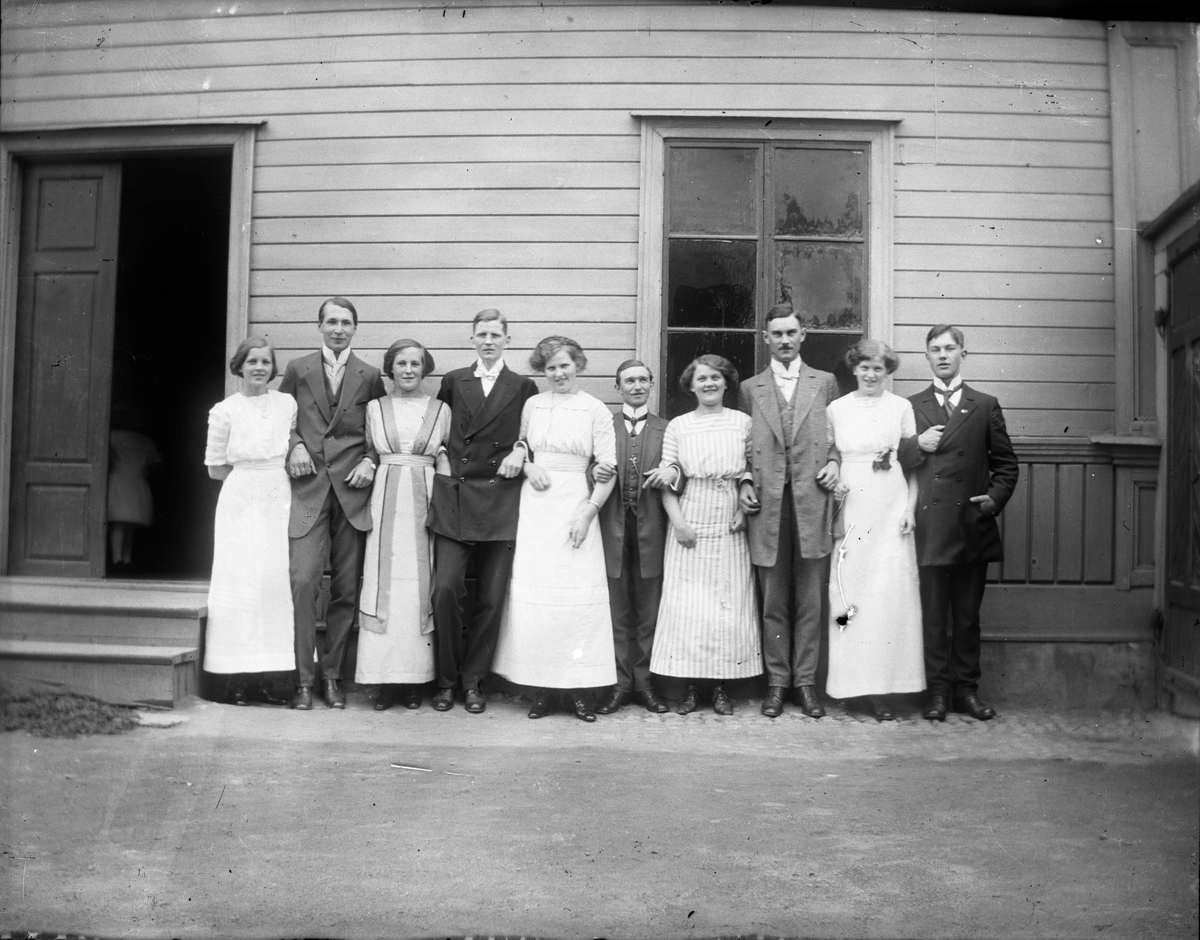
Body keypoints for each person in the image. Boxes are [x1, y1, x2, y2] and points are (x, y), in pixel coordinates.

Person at [492, 336, 618, 721]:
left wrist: (587, 515)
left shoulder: (594, 409)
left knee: (574, 601)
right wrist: (529, 466)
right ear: (542, 371)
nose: (558, 373)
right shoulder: (533, 404)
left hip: (576, 506)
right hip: (536, 508)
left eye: (565, 365)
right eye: (551, 367)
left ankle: (578, 692)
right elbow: (522, 447)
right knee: (539, 601)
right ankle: (543, 690)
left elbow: (608, 470)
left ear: (577, 365)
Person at [426, 309, 538, 714]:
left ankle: (473, 682)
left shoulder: (522, 386)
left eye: (495, 335)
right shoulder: (455, 381)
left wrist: (521, 450)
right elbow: (437, 428)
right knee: (445, 590)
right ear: (472, 339)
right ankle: (445, 681)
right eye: (482, 335)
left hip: (500, 499)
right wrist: (441, 458)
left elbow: (532, 434)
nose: (488, 341)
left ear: (507, 340)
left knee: (491, 598)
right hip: (456, 496)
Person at [905, 325, 1019, 721]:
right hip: (931, 528)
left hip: (971, 524)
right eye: (935, 349)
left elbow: (1006, 465)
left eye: (949, 348)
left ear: (963, 354)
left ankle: (966, 692)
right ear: (926, 357)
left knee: (967, 618)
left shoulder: (985, 405)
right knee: (933, 616)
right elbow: (896, 461)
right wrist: (915, 445)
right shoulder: (911, 405)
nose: (942, 355)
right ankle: (937, 692)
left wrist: (994, 500)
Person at [279, 297, 386, 710]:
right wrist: (294, 445)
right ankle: (302, 679)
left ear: (355, 328)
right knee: (304, 581)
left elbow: (380, 433)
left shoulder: (369, 375)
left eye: (346, 323)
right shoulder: (298, 369)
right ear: (320, 326)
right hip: (308, 488)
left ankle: (331, 676)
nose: (338, 329)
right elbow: (281, 419)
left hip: (352, 493)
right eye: (331, 322)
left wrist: (370, 461)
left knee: (345, 588)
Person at [736, 303, 841, 719]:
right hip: (768, 505)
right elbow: (743, 445)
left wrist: (834, 462)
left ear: (802, 336)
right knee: (773, 600)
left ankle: (806, 684)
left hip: (812, 501)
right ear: (766, 338)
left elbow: (836, 436)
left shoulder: (825, 382)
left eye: (790, 333)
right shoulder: (750, 389)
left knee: (810, 600)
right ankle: (777, 683)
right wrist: (745, 481)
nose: (784, 340)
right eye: (776, 334)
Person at [644, 355, 761, 716]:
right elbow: (667, 476)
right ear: (691, 386)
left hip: (729, 517)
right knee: (689, 607)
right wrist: (678, 523)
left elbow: (752, 467)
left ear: (726, 383)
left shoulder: (743, 422)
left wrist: (742, 509)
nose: (709, 383)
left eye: (715, 377)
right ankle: (692, 688)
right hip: (690, 512)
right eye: (701, 378)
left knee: (727, 604)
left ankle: (721, 687)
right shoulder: (679, 426)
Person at [824, 340, 926, 721]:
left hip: (890, 506)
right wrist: (835, 479)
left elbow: (912, 466)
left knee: (889, 593)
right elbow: (830, 456)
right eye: (864, 367)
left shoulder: (901, 408)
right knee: (849, 592)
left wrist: (909, 509)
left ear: (887, 372)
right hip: (852, 506)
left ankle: (884, 687)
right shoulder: (836, 409)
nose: (870, 374)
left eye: (878, 368)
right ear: (854, 369)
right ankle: (851, 686)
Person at [355, 339, 451, 711]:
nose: (408, 370)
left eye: (415, 363)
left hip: (425, 497)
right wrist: (368, 461)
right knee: (385, 582)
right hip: (385, 497)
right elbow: (369, 448)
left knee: (418, 585)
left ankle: (413, 681)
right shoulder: (375, 408)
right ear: (390, 368)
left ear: (425, 369)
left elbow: (446, 449)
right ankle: (384, 681)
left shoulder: (440, 409)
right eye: (401, 363)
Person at [204, 337, 297, 705]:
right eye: (252, 361)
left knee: (273, 582)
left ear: (273, 369)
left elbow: (294, 441)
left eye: (265, 362)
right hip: (240, 501)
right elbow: (215, 468)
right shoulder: (223, 411)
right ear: (239, 367)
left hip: (278, 496)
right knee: (239, 582)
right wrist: (250, 481)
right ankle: (237, 680)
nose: (259, 368)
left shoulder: (286, 404)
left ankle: (273, 678)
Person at [594, 360, 671, 715]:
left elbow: (679, 469)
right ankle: (620, 685)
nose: (637, 386)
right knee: (617, 610)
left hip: (651, 529)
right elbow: (589, 465)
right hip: (612, 528)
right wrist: (593, 469)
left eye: (643, 380)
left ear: (651, 384)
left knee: (649, 610)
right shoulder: (604, 425)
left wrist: (673, 471)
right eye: (629, 381)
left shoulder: (666, 428)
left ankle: (645, 684)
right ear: (618, 387)